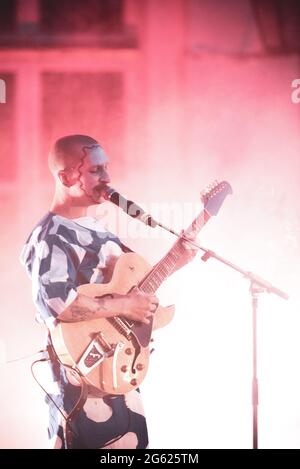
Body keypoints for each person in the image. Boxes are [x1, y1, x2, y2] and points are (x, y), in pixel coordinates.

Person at [20, 134, 197, 449]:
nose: (108, 178)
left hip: (119, 376)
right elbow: (59, 304)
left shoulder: (99, 230)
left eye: (106, 168)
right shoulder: (51, 236)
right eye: (96, 170)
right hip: (79, 389)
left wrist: (177, 261)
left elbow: (137, 289)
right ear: (66, 177)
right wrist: (125, 305)